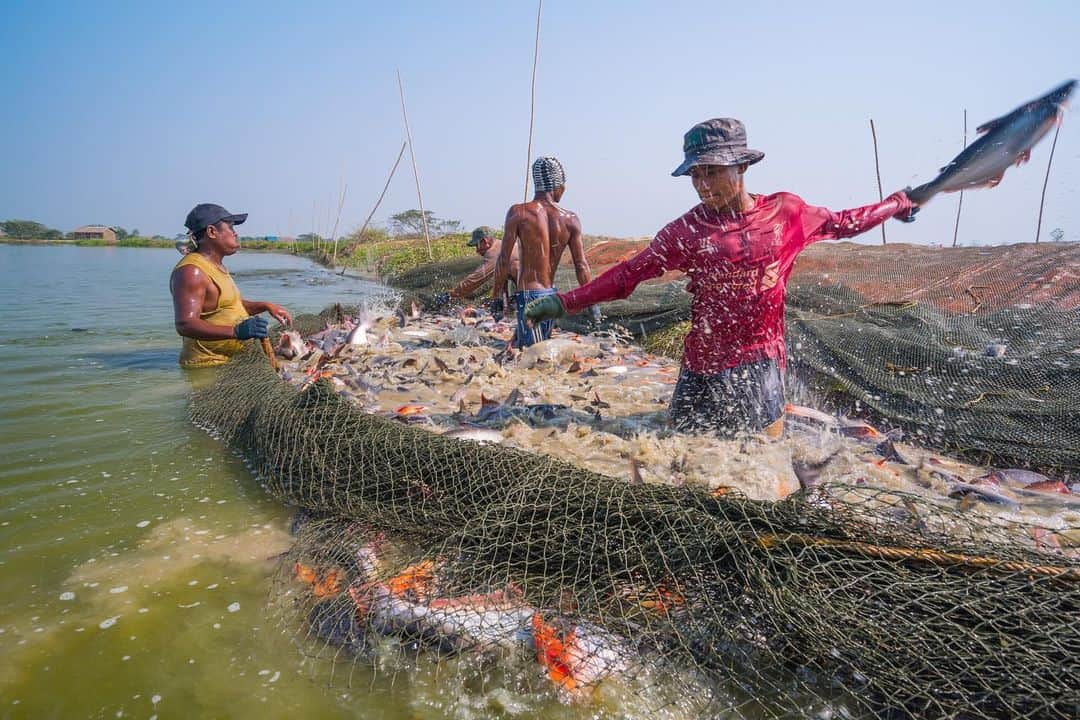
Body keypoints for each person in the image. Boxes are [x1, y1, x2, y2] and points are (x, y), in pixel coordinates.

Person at [525, 118, 919, 437]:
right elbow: (629, 274)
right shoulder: (685, 231)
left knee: (760, 450)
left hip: (757, 359)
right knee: (677, 440)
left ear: (742, 166)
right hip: (700, 360)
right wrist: (563, 302)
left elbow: (843, 223)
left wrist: (895, 205)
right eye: (695, 175)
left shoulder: (786, 213)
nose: (702, 184)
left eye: (712, 172)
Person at [491, 156, 599, 347]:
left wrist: (496, 298)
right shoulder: (570, 219)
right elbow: (581, 266)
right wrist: (592, 303)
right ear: (559, 187)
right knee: (536, 350)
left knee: (530, 352)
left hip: (528, 295)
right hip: (551, 296)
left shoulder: (518, 212)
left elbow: (503, 261)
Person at [170, 203, 293, 368]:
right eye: (230, 227)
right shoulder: (192, 271)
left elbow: (232, 306)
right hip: (208, 367)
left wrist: (266, 306)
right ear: (212, 232)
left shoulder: (216, 266)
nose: (235, 233)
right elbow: (185, 324)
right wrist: (235, 332)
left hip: (231, 362)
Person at [432, 226, 521, 307]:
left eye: (476, 245)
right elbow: (501, 280)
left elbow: (476, 279)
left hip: (530, 291)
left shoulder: (494, 252)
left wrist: (451, 295)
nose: (477, 251)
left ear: (484, 241)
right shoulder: (502, 245)